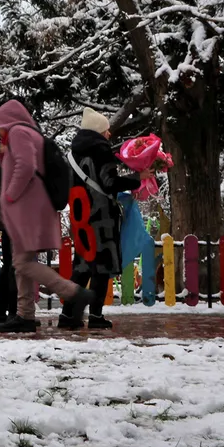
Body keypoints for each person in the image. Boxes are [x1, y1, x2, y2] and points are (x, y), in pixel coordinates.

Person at [0, 100, 94, 333]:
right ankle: (25, 315)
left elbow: (25, 166)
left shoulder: (18, 132)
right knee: (22, 263)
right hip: (28, 210)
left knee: (21, 262)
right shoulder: (26, 134)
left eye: (0, 125)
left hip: (28, 210)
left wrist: (9, 196)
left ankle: (74, 293)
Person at [59, 107, 151, 329]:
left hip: (80, 218)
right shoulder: (101, 150)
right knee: (100, 267)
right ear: (99, 132)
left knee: (81, 267)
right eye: (107, 130)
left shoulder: (73, 154)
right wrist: (137, 178)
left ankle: (68, 315)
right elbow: (109, 183)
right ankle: (96, 316)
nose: (109, 134)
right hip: (101, 219)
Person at [0, 160, 23, 328]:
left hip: (7, 218)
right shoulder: (14, 158)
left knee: (10, 264)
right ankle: (13, 312)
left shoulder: (5, 159)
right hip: (15, 219)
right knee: (14, 266)